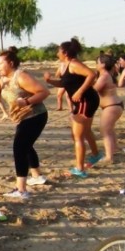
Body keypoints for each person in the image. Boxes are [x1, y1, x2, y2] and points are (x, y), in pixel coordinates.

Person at [0, 50, 50, 198]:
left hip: (35, 115)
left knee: (19, 148)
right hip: (23, 118)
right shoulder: (1, 80)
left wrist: (26, 101)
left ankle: (21, 190)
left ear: (11, 63)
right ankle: (37, 176)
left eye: (1, 63)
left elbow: (44, 92)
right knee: (26, 145)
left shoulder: (21, 76)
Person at [43, 38, 101, 178]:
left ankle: (80, 169)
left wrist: (80, 91)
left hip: (85, 100)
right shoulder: (66, 65)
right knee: (85, 131)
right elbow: (64, 84)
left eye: (58, 50)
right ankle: (96, 155)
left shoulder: (74, 64)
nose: (57, 53)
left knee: (77, 136)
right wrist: (49, 81)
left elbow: (92, 74)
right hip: (83, 101)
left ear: (65, 52)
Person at [93, 54, 123, 163]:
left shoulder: (104, 76)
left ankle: (109, 157)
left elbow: (94, 90)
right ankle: (114, 149)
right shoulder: (106, 74)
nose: (96, 65)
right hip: (114, 106)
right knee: (109, 129)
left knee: (105, 131)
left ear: (103, 64)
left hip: (111, 106)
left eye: (98, 62)